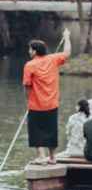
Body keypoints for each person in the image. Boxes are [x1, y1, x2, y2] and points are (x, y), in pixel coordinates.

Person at [22, 30, 71, 165]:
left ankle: (41, 157)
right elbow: (67, 53)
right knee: (51, 131)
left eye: (30, 49)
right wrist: (67, 37)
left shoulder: (29, 65)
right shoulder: (53, 59)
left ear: (35, 51)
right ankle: (52, 157)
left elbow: (27, 86)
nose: (29, 51)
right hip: (51, 104)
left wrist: (28, 101)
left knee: (36, 131)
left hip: (36, 105)